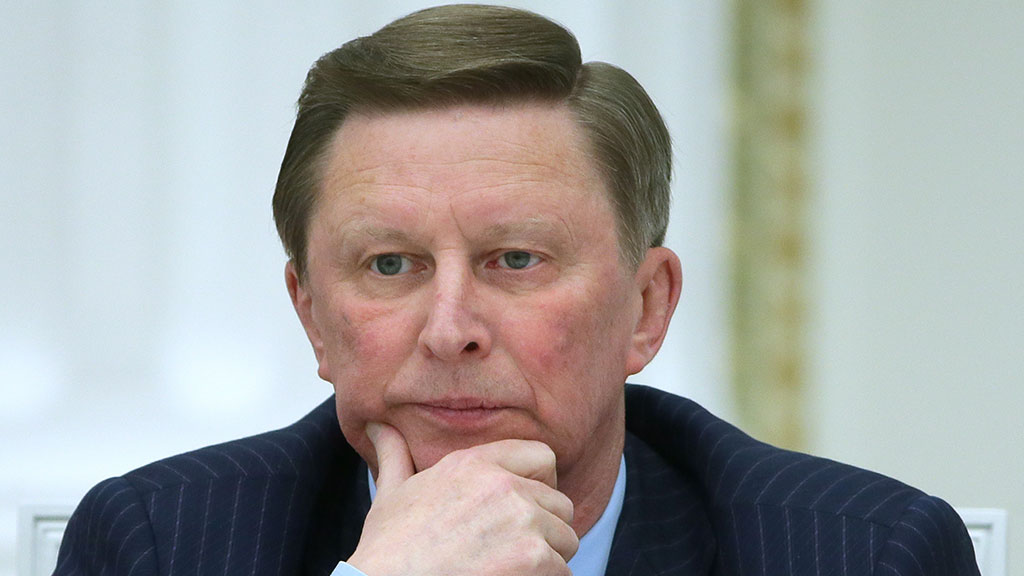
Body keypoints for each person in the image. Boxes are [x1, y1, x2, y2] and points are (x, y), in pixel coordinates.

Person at [53, 5, 979, 576]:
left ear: (647, 309)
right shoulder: (160, 543)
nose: (450, 329)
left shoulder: (864, 554)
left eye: (516, 260)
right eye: (390, 265)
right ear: (313, 319)